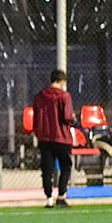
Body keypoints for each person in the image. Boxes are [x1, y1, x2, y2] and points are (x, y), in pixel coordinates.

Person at [33, 69, 73, 208]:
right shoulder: (64, 97)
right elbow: (67, 117)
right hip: (61, 137)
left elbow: (36, 117)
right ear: (62, 82)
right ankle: (61, 195)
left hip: (44, 137)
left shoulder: (40, 97)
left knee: (47, 169)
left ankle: (49, 197)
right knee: (65, 166)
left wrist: (38, 132)